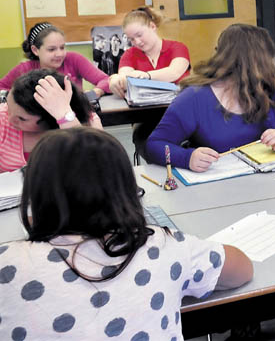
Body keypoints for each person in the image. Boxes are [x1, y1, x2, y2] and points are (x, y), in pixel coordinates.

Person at [0, 127, 253, 340]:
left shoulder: (8, 262)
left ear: (35, 194)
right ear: (127, 189)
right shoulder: (163, 246)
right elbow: (242, 269)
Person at [145, 24, 275, 172]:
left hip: (269, 180)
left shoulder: (266, 88)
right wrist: (187, 158)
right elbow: (154, 145)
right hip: (217, 187)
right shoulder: (194, 98)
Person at [0, 70, 102, 173]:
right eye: (8, 106)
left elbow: (95, 168)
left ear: (50, 119)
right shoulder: (2, 119)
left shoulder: (88, 122)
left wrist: (65, 116)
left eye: (22, 118)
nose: (10, 119)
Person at [0, 22, 110, 97]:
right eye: (51, 49)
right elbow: (2, 88)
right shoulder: (24, 69)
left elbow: (106, 80)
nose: (59, 54)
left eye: (62, 47)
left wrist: (95, 92)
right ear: (35, 50)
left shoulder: (74, 59)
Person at [108, 6, 191, 98]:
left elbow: (174, 72)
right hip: (145, 105)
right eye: (131, 39)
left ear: (152, 26)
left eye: (139, 35)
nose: (137, 42)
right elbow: (125, 76)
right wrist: (116, 79)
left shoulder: (178, 47)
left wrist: (146, 76)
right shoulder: (129, 54)